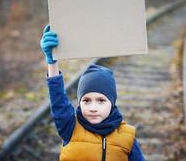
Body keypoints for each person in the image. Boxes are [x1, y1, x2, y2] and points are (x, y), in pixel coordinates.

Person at [40, 24, 145, 160]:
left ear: (112, 103)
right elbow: (58, 100)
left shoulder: (127, 136)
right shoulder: (70, 128)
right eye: (86, 100)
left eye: (101, 101)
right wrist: (52, 63)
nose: (93, 108)